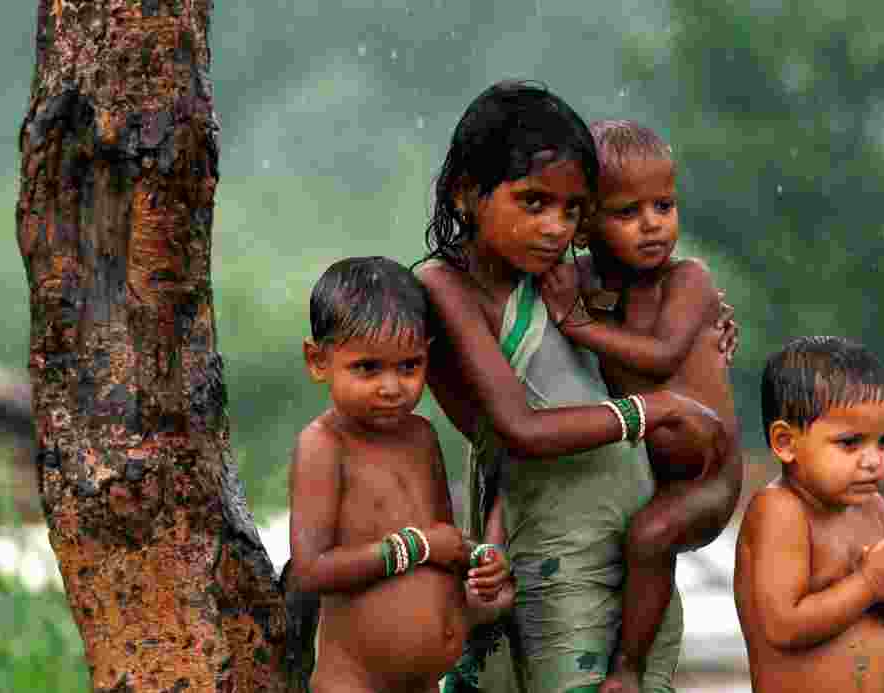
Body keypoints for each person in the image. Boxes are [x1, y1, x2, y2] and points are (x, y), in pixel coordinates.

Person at [416, 81, 729, 693]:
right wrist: (654, 409)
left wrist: (700, 324)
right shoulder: (442, 287)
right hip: (554, 562)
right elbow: (521, 429)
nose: (554, 226)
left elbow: (654, 321)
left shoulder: (565, 279)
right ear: (466, 194)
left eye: (569, 210)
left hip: (638, 560)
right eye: (533, 203)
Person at [538, 119, 743, 693]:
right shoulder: (576, 278)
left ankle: (627, 669)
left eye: (665, 205)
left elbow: (658, 356)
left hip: (707, 475)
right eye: (627, 213)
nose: (653, 225)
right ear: (584, 227)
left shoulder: (689, 280)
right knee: (633, 541)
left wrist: (577, 325)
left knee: (651, 539)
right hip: (642, 469)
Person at [288, 256, 514, 693]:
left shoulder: (422, 437)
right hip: (354, 682)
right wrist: (417, 546)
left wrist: (480, 562)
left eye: (408, 366)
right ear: (318, 361)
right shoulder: (325, 444)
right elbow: (310, 570)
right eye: (367, 368)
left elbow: (442, 544)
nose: (391, 387)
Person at [734, 336, 884, 693]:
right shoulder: (781, 510)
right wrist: (868, 585)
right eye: (850, 443)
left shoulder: (873, 507)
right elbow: (782, 626)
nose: (873, 460)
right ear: (786, 442)